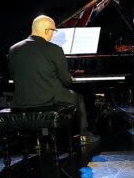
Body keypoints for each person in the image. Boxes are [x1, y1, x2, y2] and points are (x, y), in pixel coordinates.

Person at [8, 14, 98, 144]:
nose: (53, 35)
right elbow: (66, 81)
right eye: (53, 31)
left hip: (20, 101)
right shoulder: (54, 49)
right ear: (46, 30)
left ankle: (39, 141)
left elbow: (13, 76)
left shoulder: (14, 49)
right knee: (78, 98)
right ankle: (84, 135)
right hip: (48, 99)